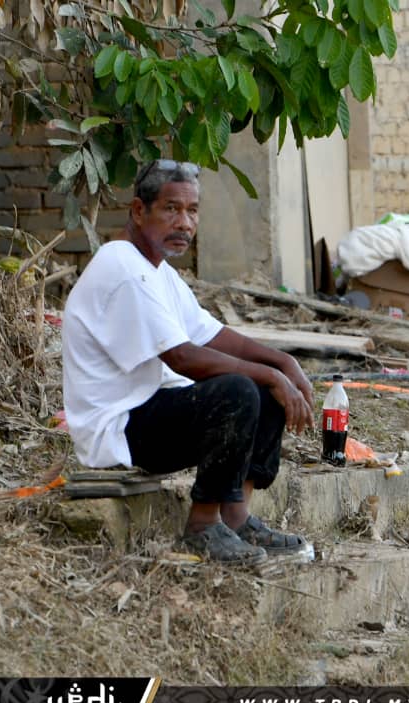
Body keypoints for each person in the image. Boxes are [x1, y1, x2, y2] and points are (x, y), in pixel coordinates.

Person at [62, 159, 315, 565]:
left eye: (193, 210)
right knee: (238, 389)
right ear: (139, 211)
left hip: (151, 411)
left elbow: (211, 335)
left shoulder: (158, 271)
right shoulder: (122, 265)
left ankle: (235, 518)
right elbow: (182, 357)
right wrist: (271, 374)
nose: (184, 223)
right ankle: (201, 528)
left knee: (262, 390)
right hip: (119, 430)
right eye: (171, 209)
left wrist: (284, 363)